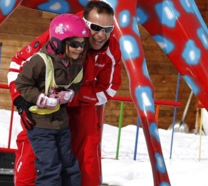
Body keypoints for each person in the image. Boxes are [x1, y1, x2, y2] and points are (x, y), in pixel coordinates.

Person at [7, 1, 122, 186]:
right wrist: (21, 101)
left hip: (79, 105)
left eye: (108, 29)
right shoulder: (62, 31)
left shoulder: (111, 48)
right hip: (44, 107)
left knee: (82, 161)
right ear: (84, 23)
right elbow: (18, 66)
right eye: (96, 28)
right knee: (38, 160)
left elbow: (109, 87)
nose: (101, 35)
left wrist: (73, 95)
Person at [13, 13, 90, 185]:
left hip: (61, 124)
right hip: (40, 124)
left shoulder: (75, 63)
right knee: (50, 167)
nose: (79, 49)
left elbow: (77, 83)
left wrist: (69, 93)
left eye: (82, 44)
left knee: (69, 165)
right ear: (58, 42)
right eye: (75, 44)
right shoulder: (40, 61)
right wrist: (40, 98)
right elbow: (22, 84)